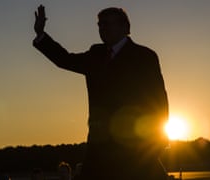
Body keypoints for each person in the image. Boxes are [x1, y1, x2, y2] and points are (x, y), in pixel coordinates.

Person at [33, 5, 169, 180]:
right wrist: (41, 35)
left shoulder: (144, 56)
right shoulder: (95, 54)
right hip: (98, 149)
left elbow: (158, 100)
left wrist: (156, 144)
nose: (102, 28)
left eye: (107, 24)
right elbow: (65, 60)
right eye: (99, 25)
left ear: (125, 28)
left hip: (135, 150)